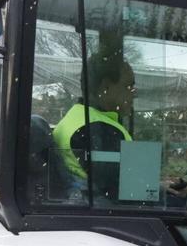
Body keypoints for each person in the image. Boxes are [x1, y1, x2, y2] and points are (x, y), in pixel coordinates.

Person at [52, 51, 135, 200]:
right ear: (106, 86)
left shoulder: (77, 118)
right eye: (128, 86)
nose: (133, 94)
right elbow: (126, 194)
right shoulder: (101, 130)